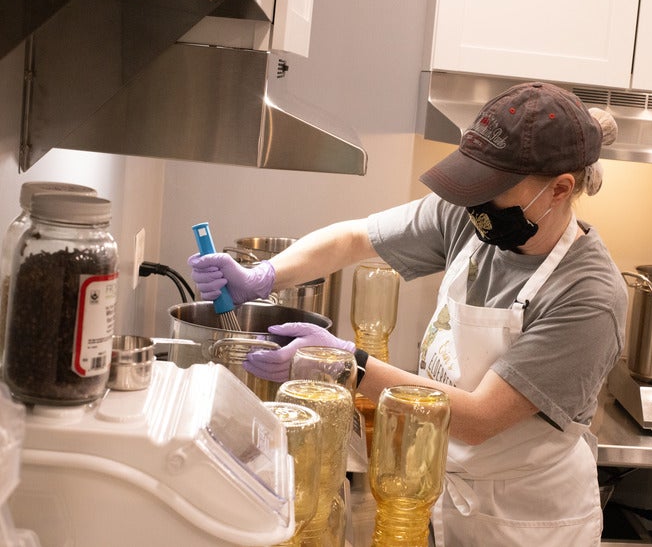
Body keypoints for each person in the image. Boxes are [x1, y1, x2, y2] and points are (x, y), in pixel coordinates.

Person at [189, 81, 628, 546]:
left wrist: (348, 364)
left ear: (559, 190)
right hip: (440, 495)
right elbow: (353, 239)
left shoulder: (589, 295)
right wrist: (264, 276)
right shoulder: (472, 219)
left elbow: (479, 418)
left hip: (526, 522)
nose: (473, 203)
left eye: (491, 189)